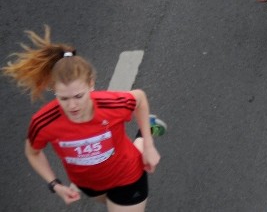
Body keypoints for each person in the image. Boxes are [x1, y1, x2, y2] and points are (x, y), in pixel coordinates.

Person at [2, 26, 167, 211]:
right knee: (110, 203)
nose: (72, 106)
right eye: (63, 98)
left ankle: (146, 136)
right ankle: (144, 133)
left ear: (91, 84)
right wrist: (55, 184)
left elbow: (140, 98)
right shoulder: (44, 122)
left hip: (128, 177)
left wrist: (150, 148)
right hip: (88, 185)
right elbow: (32, 152)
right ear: (53, 89)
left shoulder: (111, 104)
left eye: (78, 96)